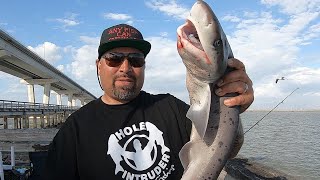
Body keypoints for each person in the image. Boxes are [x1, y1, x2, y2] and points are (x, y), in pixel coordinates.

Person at [43, 24, 254, 180]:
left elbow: (226, 148)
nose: (125, 68)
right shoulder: (76, 128)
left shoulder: (170, 108)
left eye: (135, 60)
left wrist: (230, 105)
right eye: (114, 59)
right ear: (99, 65)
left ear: (143, 66)